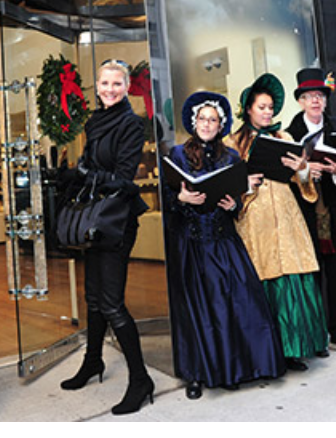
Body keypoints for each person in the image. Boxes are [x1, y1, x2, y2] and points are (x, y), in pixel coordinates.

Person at [164, 91, 286, 400]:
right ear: (194, 122)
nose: (207, 124)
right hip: (192, 244)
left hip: (224, 240)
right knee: (197, 311)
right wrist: (181, 198)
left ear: (221, 125)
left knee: (237, 302)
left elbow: (237, 201)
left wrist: (233, 205)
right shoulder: (177, 154)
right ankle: (197, 374)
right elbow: (167, 199)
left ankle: (234, 370)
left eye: (213, 120)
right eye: (202, 119)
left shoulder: (231, 157)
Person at [58, 58, 154, 415]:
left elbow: (124, 178)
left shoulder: (131, 123)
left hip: (117, 220)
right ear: (96, 86)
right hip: (95, 219)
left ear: (126, 87)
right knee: (94, 298)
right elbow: (92, 167)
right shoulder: (95, 121)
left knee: (112, 303)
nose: (109, 89)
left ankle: (141, 380)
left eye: (116, 83)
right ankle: (93, 361)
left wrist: (86, 175)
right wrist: (71, 174)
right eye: (104, 83)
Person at [227, 73, 329, 371]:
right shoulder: (232, 143)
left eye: (271, 107)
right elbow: (226, 188)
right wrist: (245, 185)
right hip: (254, 221)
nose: (267, 112)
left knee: (292, 282)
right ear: (248, 109)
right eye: (262, 107)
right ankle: (268, 353)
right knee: (264, 282)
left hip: (286, 216)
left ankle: (294, 349)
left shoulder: (284, 137)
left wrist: (302, 169)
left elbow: (303, 183)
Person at [286, 68, 336, 353]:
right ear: (300, 101)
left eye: (320, 95)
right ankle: (317, 335)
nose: (315, 101)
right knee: (312, 276)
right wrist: (305, 170)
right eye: (309, 96)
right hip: (305, 215)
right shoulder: (289, 134)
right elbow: (283, 177)